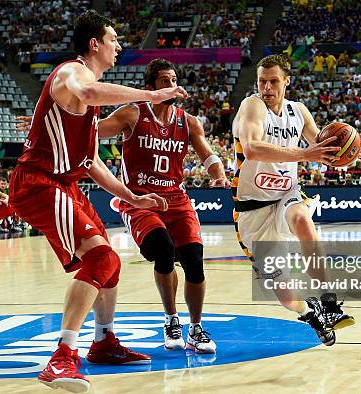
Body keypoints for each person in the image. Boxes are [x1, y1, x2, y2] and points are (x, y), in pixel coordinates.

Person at [9, 10, 186, 394]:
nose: (119, 46)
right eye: (113, 40)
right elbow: (87, 91)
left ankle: (103, 342)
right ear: (94, 44)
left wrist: (134, 196)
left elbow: (90, 163)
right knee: (101, 259)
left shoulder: (88, 104)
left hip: (65, 184)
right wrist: (152, 95)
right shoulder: (70, 73)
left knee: (111, 264)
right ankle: (62, 356)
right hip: (39, 183)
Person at [16, 58, 229, 354]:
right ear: (150, 87)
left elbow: (207, 154)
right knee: (163, 251)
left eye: (173, 79)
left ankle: (195, 328)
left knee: (194, 259)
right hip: (140, 199)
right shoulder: (132, 113)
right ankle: (171, 320)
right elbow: (93, 131)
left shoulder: (188, 121)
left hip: (176, 199)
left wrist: (218, 175)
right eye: (164, 81)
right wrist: (53, 125)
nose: (171, 85)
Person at [231, 54, 354, 346]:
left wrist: (343, 155)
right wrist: (303, 155)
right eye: (262, 81)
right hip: (253, 209)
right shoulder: (252, 105)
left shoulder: (298, 111)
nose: (267, 87)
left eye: (274, 81)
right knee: (287, 297)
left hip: (287, 193)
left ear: (287, 81)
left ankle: (328, 301)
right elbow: (251, 149)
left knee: (301, 218)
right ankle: (310, 313)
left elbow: (321, 147)